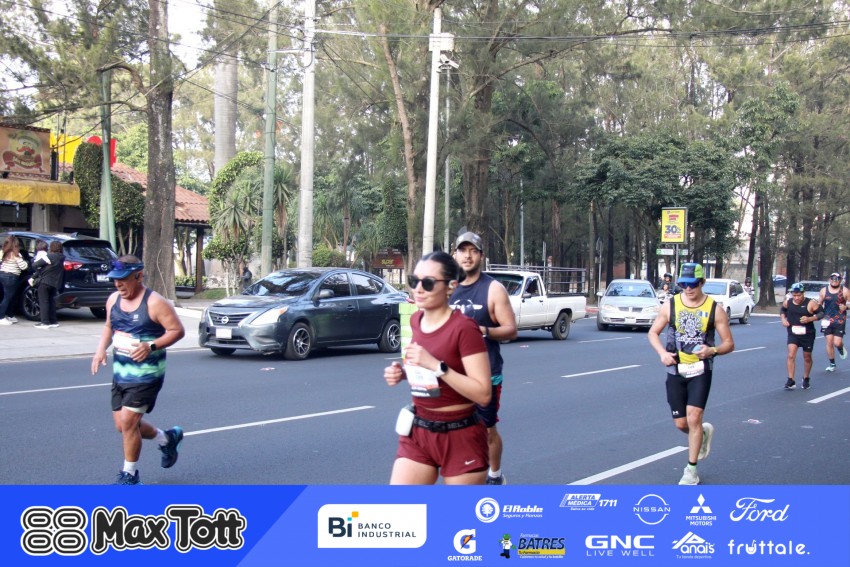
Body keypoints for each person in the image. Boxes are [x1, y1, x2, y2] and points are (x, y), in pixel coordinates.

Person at [383, 251, 492, 485]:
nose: (418, 289)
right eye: (414, 281)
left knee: (456, 511)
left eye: (428, 283)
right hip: (419, 430)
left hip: (460, 434)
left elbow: (483, 394)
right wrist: (402, 373)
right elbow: (424, 370)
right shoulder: (416, 320)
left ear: (451, 287)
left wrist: (436, 366)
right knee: (397, 505)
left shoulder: (464, 329)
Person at [91, 255, 186, 485]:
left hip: (146, 374)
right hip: (121, 372)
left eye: (123, 279)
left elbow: (177, 331)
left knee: (128, 422)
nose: (118, 284)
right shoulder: (113, 300)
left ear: (139, 276)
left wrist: (150, 346)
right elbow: (109, 326)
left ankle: (130, 475)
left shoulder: (155, 303)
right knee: (122, 425)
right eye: (115, 279)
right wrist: (100, 349)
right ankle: (167, 439)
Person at [648, 262, 734, 485]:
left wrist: (712, 350)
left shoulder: (715, 309)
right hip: (675, 369)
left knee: (694, 417)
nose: (688, 289)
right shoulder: (671, 305)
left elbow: (729, 344)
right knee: (682, 424)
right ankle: (702, 434)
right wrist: (662, 354)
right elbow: (653, 333)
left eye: (692, 284)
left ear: (702, 283)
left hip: (701, 370)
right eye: (683, 284)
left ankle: (691, 470)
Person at [451, 231, 518, 485]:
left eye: (473, 251)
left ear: (481, 256)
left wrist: (483, 331)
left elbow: (511, 330)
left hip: (486, 375)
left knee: (486, 430)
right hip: (453, 375)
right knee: (455, 430)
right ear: (455, 255)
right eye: (462, 250)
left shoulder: (493, 289)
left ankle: (495, 475)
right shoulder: (447, 288)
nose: (467, 256)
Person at [781, 282, 824, 390]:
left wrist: (810, 319)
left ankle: (806, 378)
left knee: (807, 357)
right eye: (794, 295)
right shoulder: (788, 302)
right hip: (793, 333)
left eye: (799, 295)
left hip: (807, 334)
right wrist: (783, 319)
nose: (796, 298)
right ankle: (791, 380)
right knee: (791, 355)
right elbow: (782, 310)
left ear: (803, 293)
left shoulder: (811, 303)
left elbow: (821, 313)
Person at [818, 273, 850, 372]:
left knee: (837, 342)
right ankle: (832, 364)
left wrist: (846, 307)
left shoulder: (845, 291)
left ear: (840, 280)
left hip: (840, 319)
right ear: (829, 279)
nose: (834, 281)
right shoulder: (824, 290)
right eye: (833, 279)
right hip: (827, 319)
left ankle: (840, 348)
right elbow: (819, 304)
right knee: (829, 341)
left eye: (837, 279)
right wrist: (818, 313)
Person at [32, 240, 65, 329]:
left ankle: (45, 322)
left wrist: (40, 271)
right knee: (51, 301)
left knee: (44, 302)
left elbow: (35, 265)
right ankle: (53, 321)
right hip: (55, 283)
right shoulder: (62, 257)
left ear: (52, 248)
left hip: (45, 281)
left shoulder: (50, 256)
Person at [0, 235, 28, 325]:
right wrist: (26, 262)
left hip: (2, 275)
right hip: (11, 277)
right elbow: (23, 267)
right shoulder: (16, 254)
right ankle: (1, 317)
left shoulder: (3, 252)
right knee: (8, 297)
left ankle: (9, 315)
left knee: (6, 296)